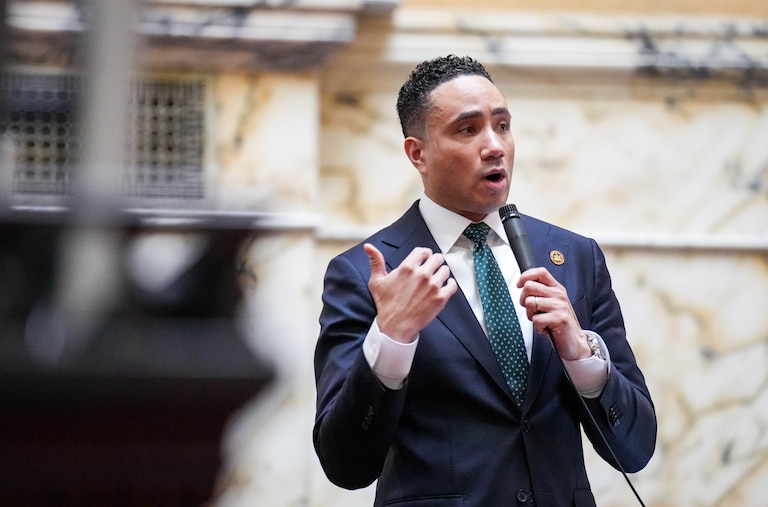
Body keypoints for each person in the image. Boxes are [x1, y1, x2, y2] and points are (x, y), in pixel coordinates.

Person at [313, 54, 656, 507]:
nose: (494, 145)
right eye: (468, 129)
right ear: (418, 153)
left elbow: (636, 447)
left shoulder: (574, 258)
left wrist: (582, 355)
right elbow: (345, 464)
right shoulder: (366, 272)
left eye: (503, 125)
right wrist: (391, 337)